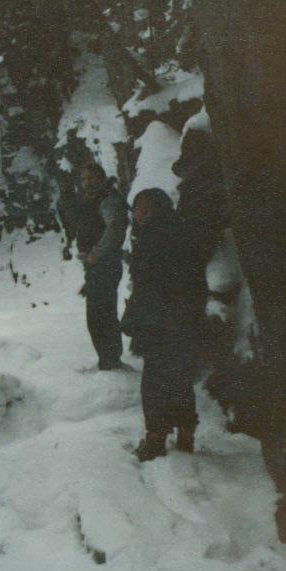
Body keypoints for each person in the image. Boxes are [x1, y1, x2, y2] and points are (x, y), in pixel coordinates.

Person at [121, 188, 207, 461]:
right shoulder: (184, 231)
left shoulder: (151, 235)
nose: (138, 214)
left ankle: (156, 438)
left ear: (152, 209)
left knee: (155, 380)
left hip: (157, 321)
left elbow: (147, 282)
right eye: (136, 208)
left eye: (141, 208)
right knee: (180, 376)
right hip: (184, 319)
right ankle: (185, 434)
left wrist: (137, 319)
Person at [74, 162, 128, 370]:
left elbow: (115, 230)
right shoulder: (95, 199)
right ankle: (109, 361)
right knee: (100, 315)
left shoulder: (108, 199)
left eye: (91, 178)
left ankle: (111, 362)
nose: (86, 183)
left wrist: (95, 254)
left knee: (100, 316)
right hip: (97, 266)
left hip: (105, 265)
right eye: (83, 179)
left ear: (100, 177)